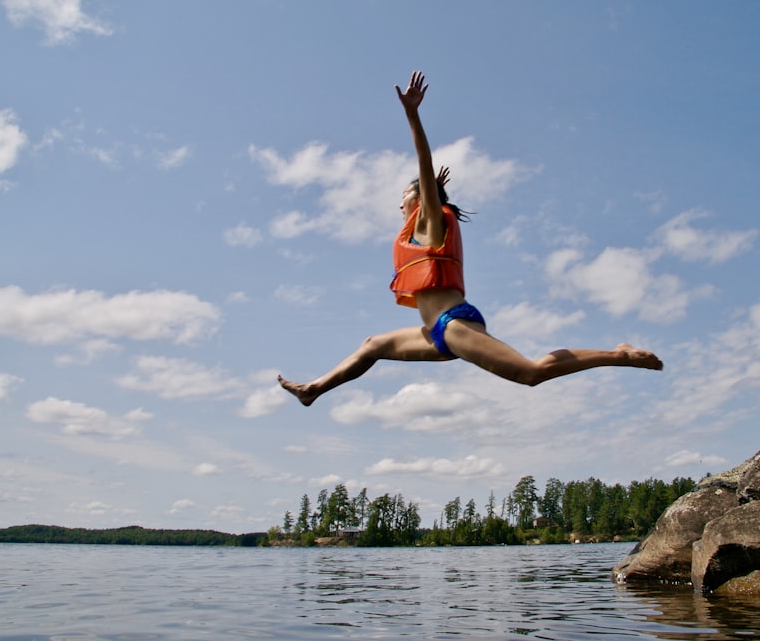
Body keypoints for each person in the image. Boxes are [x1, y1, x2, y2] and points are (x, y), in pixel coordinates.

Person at [278, 71, 662, 407]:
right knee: (372, 345)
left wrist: (413, 115)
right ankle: (313, 389)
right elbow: (426, 187)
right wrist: (433, 189)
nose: (398, 202)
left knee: (531, 373)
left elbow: (423, 167)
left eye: (404, 195)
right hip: (434, 334)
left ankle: (619, 355)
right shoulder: (423, 222)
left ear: (419, 197)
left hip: (452, 325)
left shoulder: (429, 217)